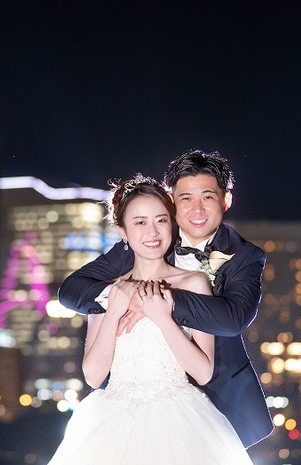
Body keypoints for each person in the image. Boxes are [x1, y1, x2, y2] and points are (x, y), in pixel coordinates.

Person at [58, 150, 273, 448]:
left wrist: (159, 302)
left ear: (226, 199)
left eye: (208, 197)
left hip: (218, 397)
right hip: (131, 412)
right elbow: (71, 290)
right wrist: (125, 298)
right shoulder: (144, 241)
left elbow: (234, 318)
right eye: (186, 198)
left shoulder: (246, 256)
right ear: (172, 200)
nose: (197, 209)